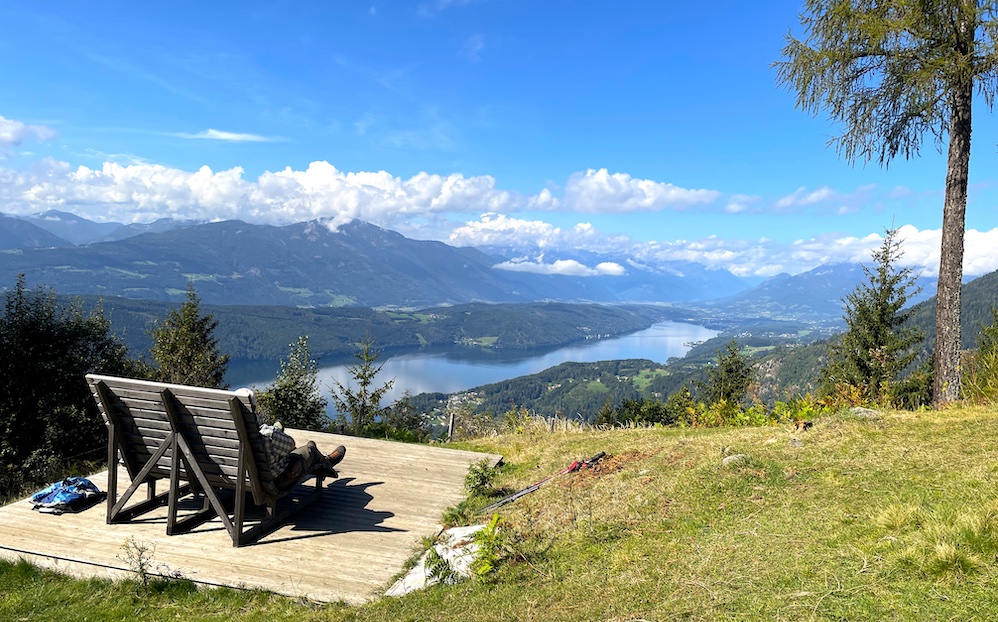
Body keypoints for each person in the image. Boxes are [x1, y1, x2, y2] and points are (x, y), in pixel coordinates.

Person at [259, 421, 346, 492]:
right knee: (311, 447)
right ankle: (327, 463)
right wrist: (276, 432)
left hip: (249, 482)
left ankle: (323, 461)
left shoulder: (247, 437)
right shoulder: (267, 435)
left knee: (305, 450)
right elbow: (291, 445)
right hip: (276, 481)